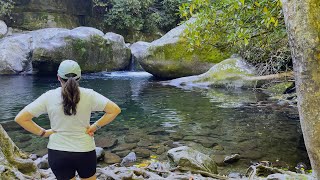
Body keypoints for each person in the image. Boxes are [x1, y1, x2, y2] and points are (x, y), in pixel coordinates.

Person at [15, 60, 121, 180]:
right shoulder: (89, 95)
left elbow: (21, 118)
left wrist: (43, 133)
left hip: (58, 153)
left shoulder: (48, 96)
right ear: (80, 77)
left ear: (58, 77)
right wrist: (95, 126)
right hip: (84, 151)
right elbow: (114, 110)